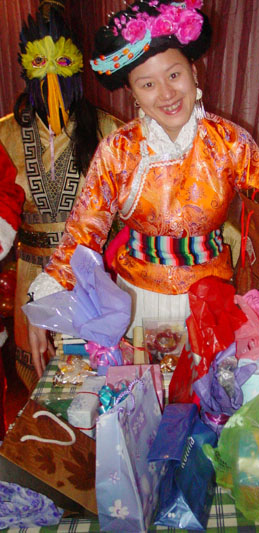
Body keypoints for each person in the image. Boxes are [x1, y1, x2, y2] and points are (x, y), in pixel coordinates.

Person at [27, 0, 259, 378]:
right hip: (137, 303)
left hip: (213, 301)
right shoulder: (118, 150)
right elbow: (83, 234)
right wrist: (44, 302)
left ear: (194, 72)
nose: (165, 93)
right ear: (133, 93)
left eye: (174, 74)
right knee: (143, 398)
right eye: (147, 84)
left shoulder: (231, 143)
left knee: (209, 398)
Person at [0, 0, 123, 391]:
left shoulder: (110, 131)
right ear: (25, 66)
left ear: (77, 66)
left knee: (92, 382)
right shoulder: (4, 135)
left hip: (90, 279)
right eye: (40, 62)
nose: (51, 73)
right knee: (39, 384)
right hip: (30, 274)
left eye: (62, 61)